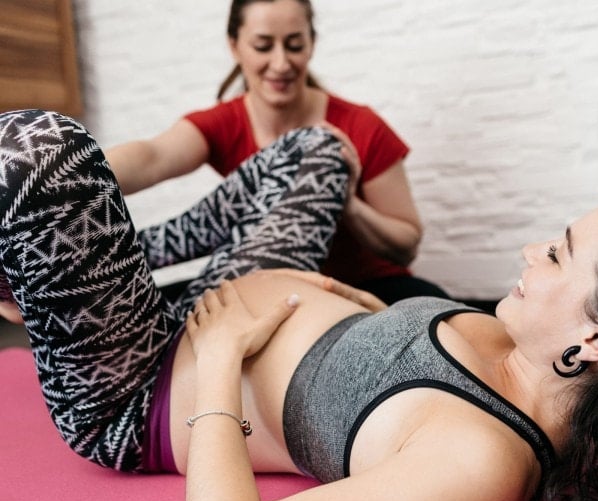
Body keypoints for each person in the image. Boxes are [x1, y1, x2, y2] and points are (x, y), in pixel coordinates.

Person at [2, 110, 598, 501]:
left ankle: (68, 269)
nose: (535, 250)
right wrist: (341, 299)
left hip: (144, 383)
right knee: (323, 151)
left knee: (37, 151)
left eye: (561, 253)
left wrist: (223, 355)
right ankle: (97, 263)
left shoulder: (483, 462)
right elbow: (381, 345)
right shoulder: (518, 342)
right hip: (226, 299)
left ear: (597, 339)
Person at [104, 0, 449, 305]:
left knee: (437, 312)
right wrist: (71, 177)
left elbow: (406, 244)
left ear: (312, 44)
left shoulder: (360, 126)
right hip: (268, 282)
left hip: (366, 285)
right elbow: (152, 157)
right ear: (235, 46)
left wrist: (348, 205)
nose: (281, 63)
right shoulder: (225, 122)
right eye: (263, 46)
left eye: (294, 45)